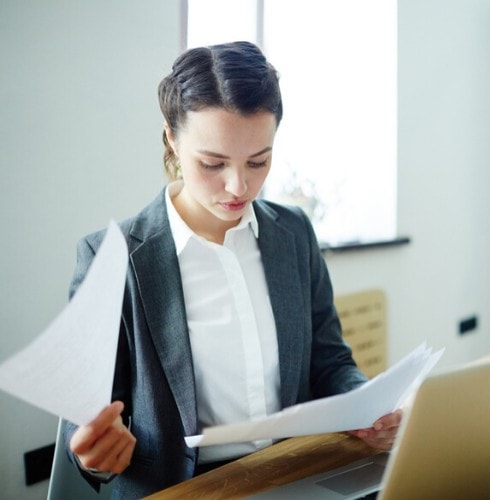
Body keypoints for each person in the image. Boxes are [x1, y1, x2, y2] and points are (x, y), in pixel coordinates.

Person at [62, 41, 401, 498]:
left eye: (258, 161)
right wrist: (93, 455)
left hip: (294, 473)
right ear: (171, 139)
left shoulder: (293, 233)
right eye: (213, 163)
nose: (238, 186)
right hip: (182, 488)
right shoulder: (112, 259)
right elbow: (88, 423)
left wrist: (369, 407)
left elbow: (329, 360)